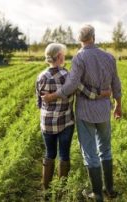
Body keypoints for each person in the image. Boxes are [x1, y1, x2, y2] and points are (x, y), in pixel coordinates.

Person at [42, 25, 122, 202]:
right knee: (106, 150)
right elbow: (116, 83)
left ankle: (97, 194)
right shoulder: (109, 57)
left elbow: (71, 86)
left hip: (85, 112)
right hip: (103, 111)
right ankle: (109, 189)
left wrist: (52, 96)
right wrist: (118, 104)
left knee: (90, 153)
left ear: (80, 40)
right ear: (93, 37)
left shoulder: (79, 57)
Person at [36, 43, 109, 195]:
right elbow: (85, 91)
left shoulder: (40, 76)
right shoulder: (68, 76)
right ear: (60, 57)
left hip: (47, 123)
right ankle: (61, 190)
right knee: (64, 154)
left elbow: (39, 102)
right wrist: (101, 94)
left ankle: (46, 189)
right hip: (65, 122)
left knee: (49, 154)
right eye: (64, 54)